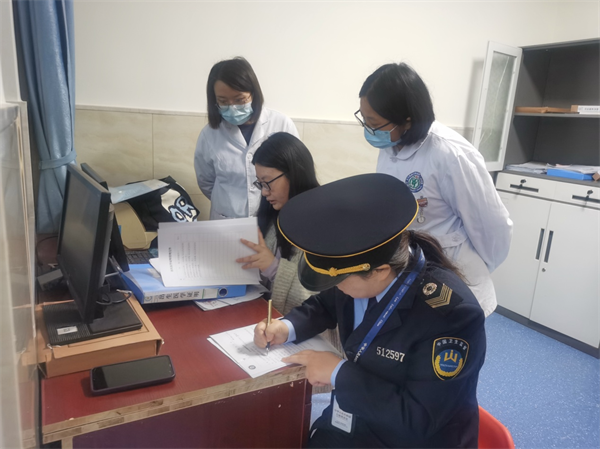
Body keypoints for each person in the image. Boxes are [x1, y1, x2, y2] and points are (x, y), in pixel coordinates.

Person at [253, 173, 486, 448]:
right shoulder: (356, 271)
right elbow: (325, 304)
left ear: (380, 271)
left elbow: (418, 418)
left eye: (339, 282)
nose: (336, 288)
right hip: (356, 415)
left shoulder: (450, 316)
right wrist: (286, 327)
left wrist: (339, 374)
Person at [355, 62, 512, 317]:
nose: (367, 129)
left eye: (373, 122)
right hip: (412, 271)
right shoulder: (390, 146)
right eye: (364, 119)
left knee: (450, 335)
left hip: (455, 273)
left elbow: (492, 225)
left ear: (406, 120)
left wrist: (481, 267)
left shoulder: (450, 154)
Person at [194, 57, 299, 220]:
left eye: (239, 100)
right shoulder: (209, 134)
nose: (232, 107)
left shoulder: (281, 124)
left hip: (272, 218)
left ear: (253, 94)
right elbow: (206, 182)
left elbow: (295, 172)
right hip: (226, 220)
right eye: (223, 101)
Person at [235, 132, 320, 314]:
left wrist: (272, 267)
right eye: (260, 184)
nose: (264, 192)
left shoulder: (323, 224)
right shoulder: (275, 215)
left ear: (295, 174)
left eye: (267, 182)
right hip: (263, 315)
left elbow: (318, 300)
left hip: (293, 326)